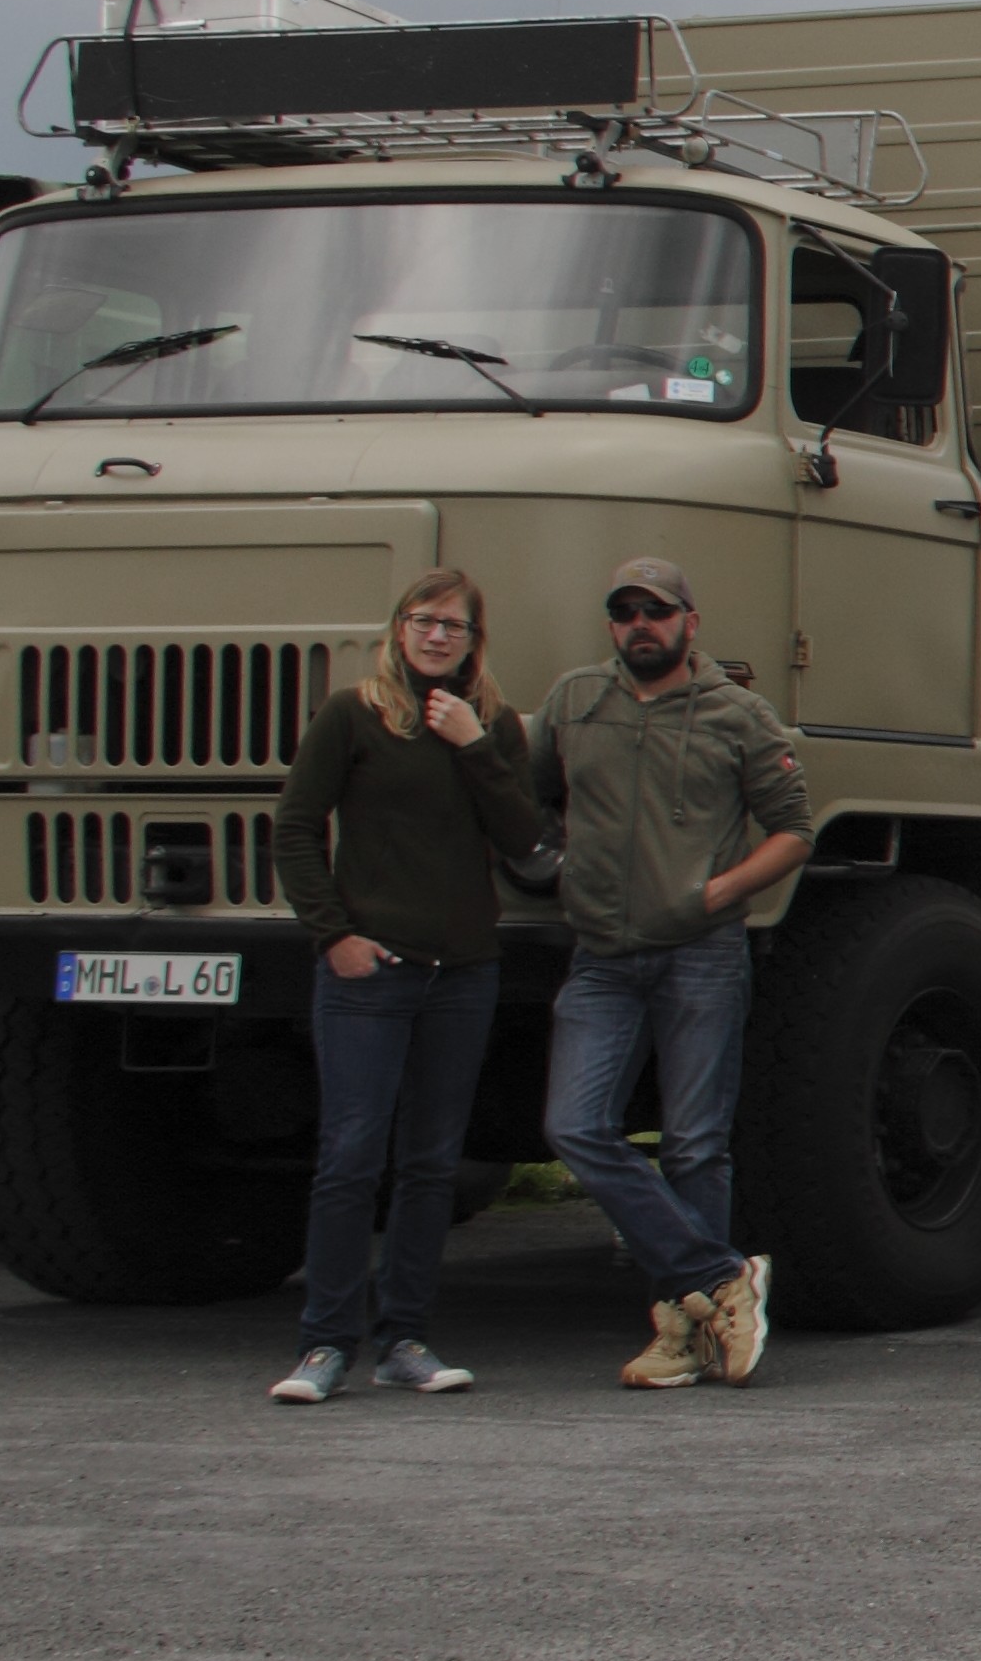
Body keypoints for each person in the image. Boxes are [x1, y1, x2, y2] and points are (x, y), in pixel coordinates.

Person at [263, 570, 546, 1404]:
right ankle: (324, 1346)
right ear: (399, 629)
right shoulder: (353, 714)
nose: (436, 636)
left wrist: (473, 744)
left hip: (462, 973)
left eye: (454, 626)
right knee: (351, 1158)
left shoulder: (491, 724)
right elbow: (295, 826)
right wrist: (334, 935)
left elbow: (524, 838)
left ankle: (405, 1340)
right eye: (424, 621)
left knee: (431, 1164)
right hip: (370, 972)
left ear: (474, 641)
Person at [531, 556, 813, 1389]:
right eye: (624, 613)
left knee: (694, 1145)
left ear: (689, 622)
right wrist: (557, 869)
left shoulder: (738, 713)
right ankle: (721, 1276)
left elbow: (793, 829)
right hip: (601, 957)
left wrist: (718, 892)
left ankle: (682, 1338)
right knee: (574, 1126)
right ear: (611, 626)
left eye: (655, 611)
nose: (639, 626)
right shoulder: (575, 701)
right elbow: (530, 795)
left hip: (702, 952)